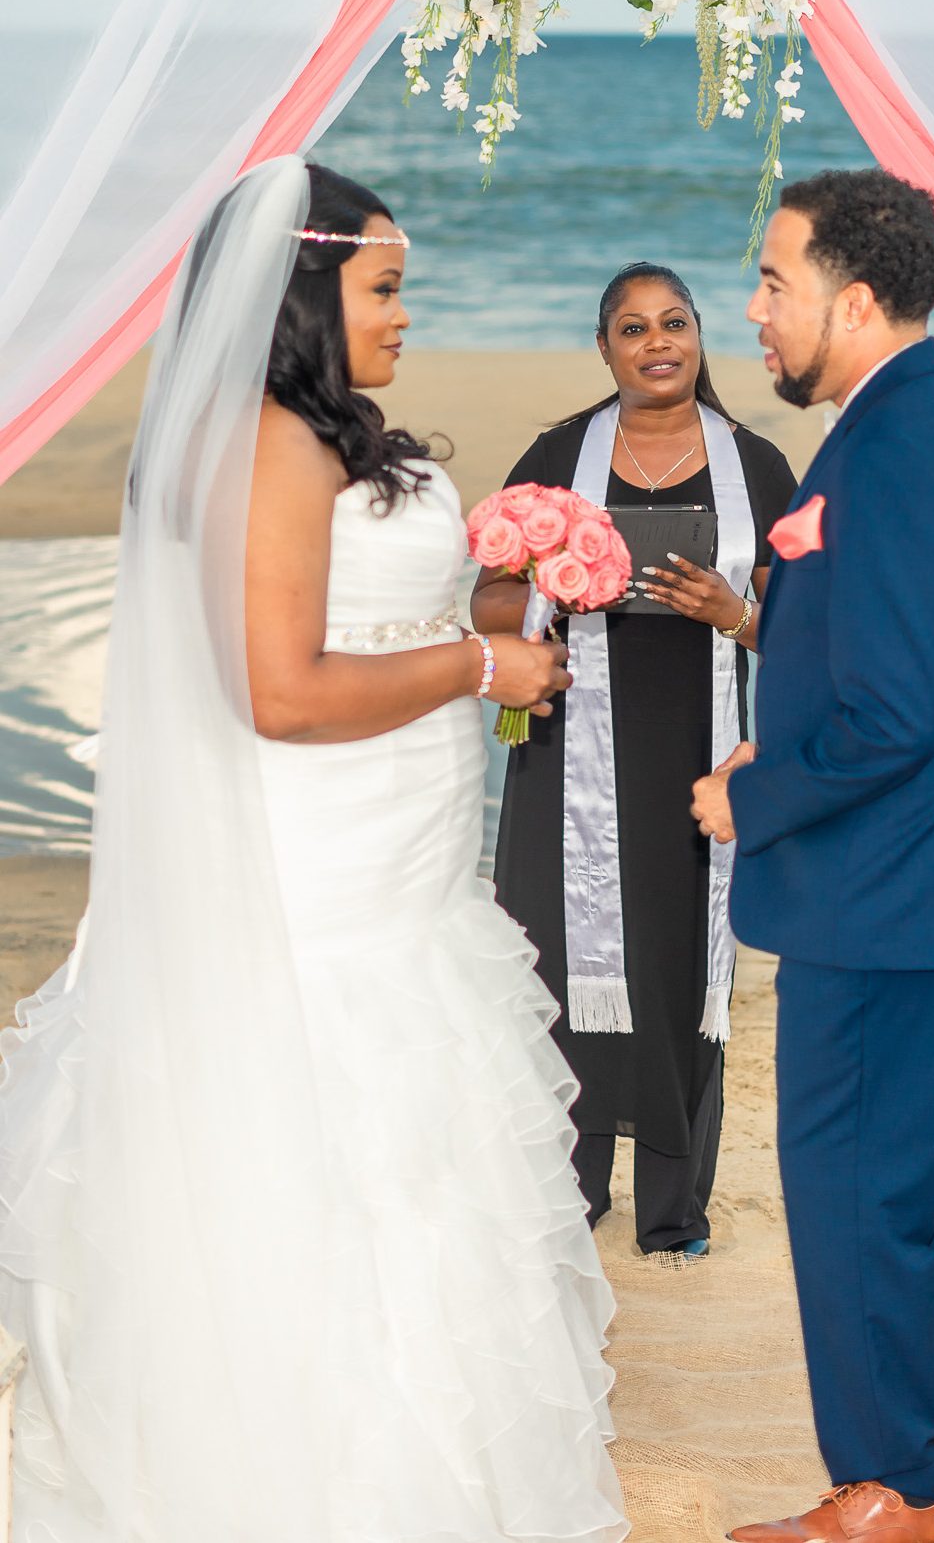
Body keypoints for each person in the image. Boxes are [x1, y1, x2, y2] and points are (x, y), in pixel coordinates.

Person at [0, 158, 629, 1543]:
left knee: (409, 1174)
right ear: (301, 289)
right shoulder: (272, 443)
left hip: (398, 866)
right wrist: (484, 663)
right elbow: (277, 690)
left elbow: (347, 617)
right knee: (353, 1165)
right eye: (384, 287)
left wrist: (493, 589)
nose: (408, 314)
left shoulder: (308, 431)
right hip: (325, 884)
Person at [691, 169, 934, 1543]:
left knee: (855, 1192)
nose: (754, 308)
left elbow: (892, 711)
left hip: (890, 894)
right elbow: (905, 678)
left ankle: (888, 1488)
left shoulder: (894, 444)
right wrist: (773, 745)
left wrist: (755, 795)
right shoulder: (928, 415)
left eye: (775, 282)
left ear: (853, 299)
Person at [473, 263, 796, 1260]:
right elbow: (486, 602)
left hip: (694, 761)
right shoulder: (558, 454)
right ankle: (569, 1198)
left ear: (700, 336)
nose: (657, 344)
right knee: (557, 968)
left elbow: (809, 630)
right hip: (569, 747)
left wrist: (731, 610)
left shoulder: (760, 467)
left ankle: (671, 1211)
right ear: (603, 348)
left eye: (675, 323)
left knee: (675, 975)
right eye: (631, 328)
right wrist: (549, 598)